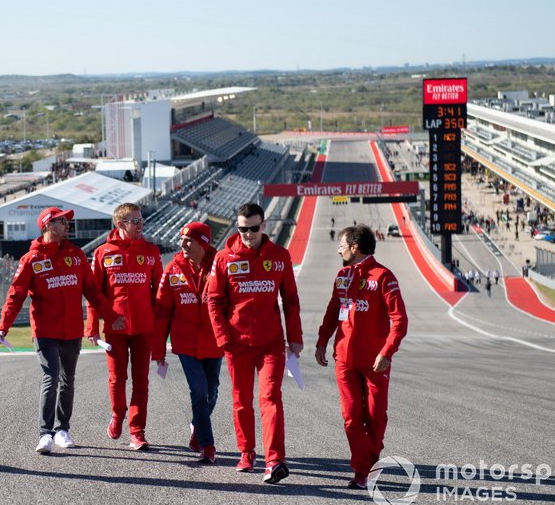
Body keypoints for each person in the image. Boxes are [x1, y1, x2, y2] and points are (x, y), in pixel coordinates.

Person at [0, 207, 125, 455]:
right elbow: (16, 295)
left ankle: (62, 429)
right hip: (45, 331)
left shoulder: (76, 255)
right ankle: (45, 434)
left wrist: (111, 316)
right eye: (62, 222)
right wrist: (3, 326)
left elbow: (93, 292)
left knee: (68, 380)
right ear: (47, 225)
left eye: (67, 222)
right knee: (50, 377)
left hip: (72, 330)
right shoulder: (31, 259)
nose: (67, 225)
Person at [206, 202, 303, 484]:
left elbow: (291, 300)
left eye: (253, 228)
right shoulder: (224, 259)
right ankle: (246, 451)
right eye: (242, 229)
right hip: (237, 343)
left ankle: (275, 460)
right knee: (241, 401)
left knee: (270, 397)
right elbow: (214, 301)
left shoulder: (280, 256)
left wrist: (295, 338)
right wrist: (223, 338)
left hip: (271, 342)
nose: (247, 233)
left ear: (264, 226)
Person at [315, 225, 408, 489]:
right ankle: (363, 469)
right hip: (344, 358)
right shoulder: (342, 275)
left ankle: (370, 457)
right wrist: (322, 341)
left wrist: (387, 351)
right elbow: (333, 311)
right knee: (351, 417)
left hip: (376, 361)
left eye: (342, 244)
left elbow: (399, 320)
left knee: (376, 416)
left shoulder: (383, 276)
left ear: (355, 247)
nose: (339, 249)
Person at [86, 203, 163, 451]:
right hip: (114, 328)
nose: (140, 225)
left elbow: (159, 292)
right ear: (120, 224)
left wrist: (159, 327)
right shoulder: (102, 253)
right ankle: (118, 414)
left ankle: (137, 431)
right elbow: (94, 294)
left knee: (142, 381)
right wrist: (93, 327)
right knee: (117, 379)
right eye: (135, 221)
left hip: (144, 328)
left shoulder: (151, 251)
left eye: (141, 220)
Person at [153, 222, 222, 463]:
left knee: (212, 393)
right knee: (199, 391)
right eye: (181, 240)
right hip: (185, 343)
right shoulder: (172, 269)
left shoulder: (220, 264)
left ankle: (197, 427)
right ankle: (207, 445)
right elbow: (162, 311)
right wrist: (159, 349)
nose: (182, 245)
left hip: (214, 341)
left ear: (203, 243)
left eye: (188, 241)